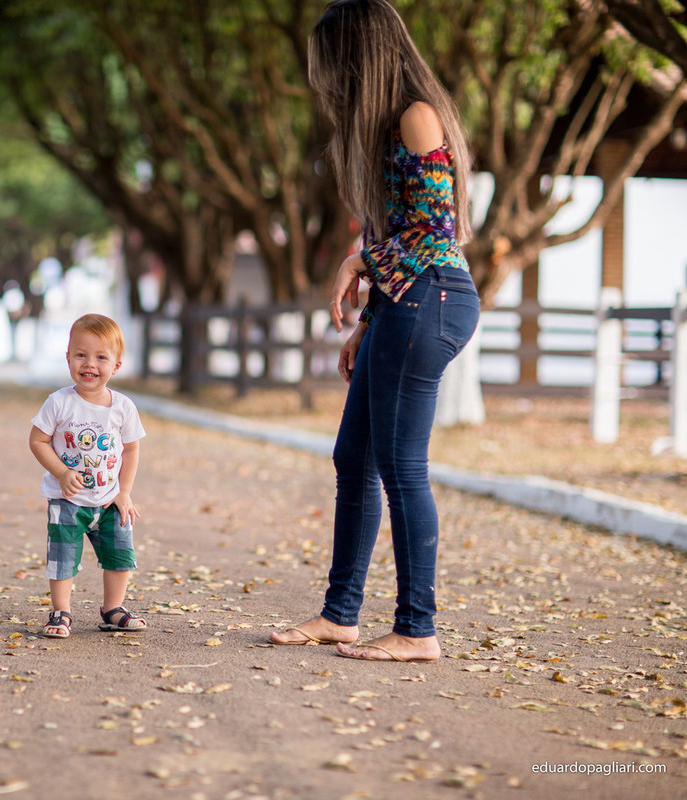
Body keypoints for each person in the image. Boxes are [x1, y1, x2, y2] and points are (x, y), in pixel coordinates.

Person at [268, 0, 480, 662]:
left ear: (362, 56)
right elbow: (401, 232)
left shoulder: (417, 116)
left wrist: (358, 263)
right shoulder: (387, 128)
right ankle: (341, 616)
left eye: (333, 62)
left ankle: (418, 629)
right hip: (405, 302)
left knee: (400, 466)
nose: (327, 78)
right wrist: (367, 322)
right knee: (353, 458)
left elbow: (435, 231)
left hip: (433, 296)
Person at [28, 314, 147, 638]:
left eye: (101, 357)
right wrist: (61, 472)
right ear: (68, 358)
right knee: (63, 557)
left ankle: (113, 609)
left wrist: (124, 492)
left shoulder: (123, 407)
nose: (89, 364)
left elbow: (131, 449)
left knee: (120, 554)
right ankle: (61, 611)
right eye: (81, 355)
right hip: (67, 499)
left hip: (110, 500)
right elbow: (37, 441)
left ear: (116, 365)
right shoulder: (59, 402)